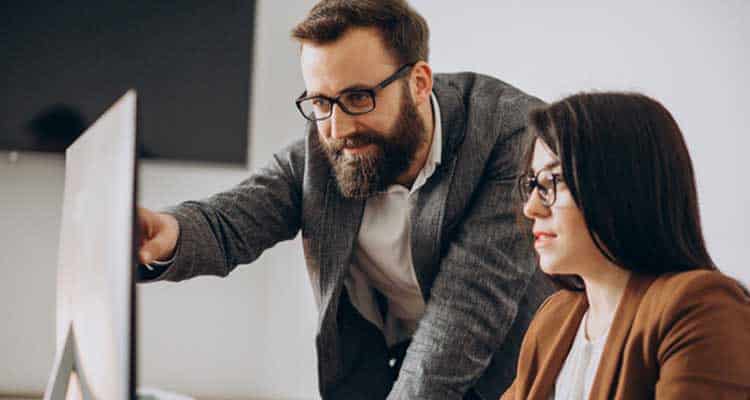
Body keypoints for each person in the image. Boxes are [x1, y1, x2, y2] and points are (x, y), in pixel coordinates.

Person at [137, 0, 553, 398]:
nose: (337, 128)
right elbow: (230, 222)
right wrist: (165, 232)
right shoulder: (325, 147)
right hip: (382, 371)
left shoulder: (511, 133)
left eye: (358, 98)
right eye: (320, 102)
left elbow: (466, 314)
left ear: (419, 82)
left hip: (510, 378)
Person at [501, 92, 750, 399]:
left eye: (554, 180)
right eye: (532, 184)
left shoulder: (700, 307)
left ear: (620, 185)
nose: (531, 208)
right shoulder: (554, 319)